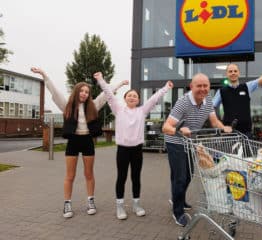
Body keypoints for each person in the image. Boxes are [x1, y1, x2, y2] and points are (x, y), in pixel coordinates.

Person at [31, 67, 127, 218]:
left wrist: (120, 84)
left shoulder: (93, 105)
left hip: (87, 141)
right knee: (70, 175)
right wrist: (44, 74)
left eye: (87, 92)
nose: (84, 93)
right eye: (82, 91)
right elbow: (54, 92)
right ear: (76, 92)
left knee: (89, 174)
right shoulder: (67, 105)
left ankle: (90, 201)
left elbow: (106, 94)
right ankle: (67, 204)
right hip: (73, 141)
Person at [93, 72, 173, 220]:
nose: (132, 97)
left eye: (135, 96)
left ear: (138, 100)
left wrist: (165, 88)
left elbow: (154, 99)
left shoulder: (142, 111)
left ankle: (136, 204)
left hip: (137, 150)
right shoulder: (118, 109)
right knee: (121, 177)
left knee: (136, 177)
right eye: (129, 95)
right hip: (122, 150)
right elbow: (109, 94)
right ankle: (120, 206)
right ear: (125, 98)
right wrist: (100, 80)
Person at [162, 73, 232, 227]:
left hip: (190, 143)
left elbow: (214, 121)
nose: (202, 89)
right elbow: (166, 127)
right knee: (180, 177)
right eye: (198, 86)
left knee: (188, 176)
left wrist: (224, 127)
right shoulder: (183, 102)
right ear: (191, 87)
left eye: (205, 86)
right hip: (175, 141)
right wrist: (180, 130)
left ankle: (177, 198)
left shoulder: (208, 102)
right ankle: (178, 212)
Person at [213, 49, 262, 138]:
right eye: (230, 71)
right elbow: (211, 108)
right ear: (226, 74)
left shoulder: (247, 87)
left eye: (235, 71)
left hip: (246, 133)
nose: (233, 73)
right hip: (229, 135)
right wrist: (220, 125)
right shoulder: (221, 91)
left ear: (239, 73)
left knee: (247, 152)